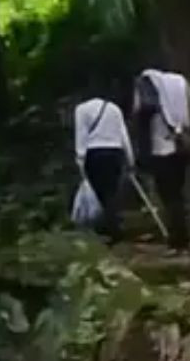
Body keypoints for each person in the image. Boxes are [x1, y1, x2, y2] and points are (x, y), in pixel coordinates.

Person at [134, 68, 190, 252]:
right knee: (178, 195)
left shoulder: (151, 93)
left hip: (162, 150)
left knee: (170, 196)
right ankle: (180, 237)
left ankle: (177, 241)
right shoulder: (179, 88)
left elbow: (142, 114)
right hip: (182, 147)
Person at [73, 85, 134, 244]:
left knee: (98, 193)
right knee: (111, 191)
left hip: (94, 153)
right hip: (115, 151)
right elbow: (123, 134)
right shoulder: (114, 109)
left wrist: (80, 160)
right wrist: (130, 158)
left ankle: (108, 230)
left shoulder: (82, 109)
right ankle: (113, 227)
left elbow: (81, 135)